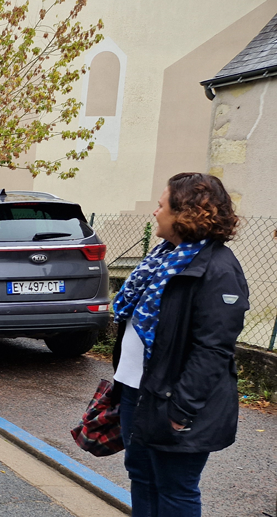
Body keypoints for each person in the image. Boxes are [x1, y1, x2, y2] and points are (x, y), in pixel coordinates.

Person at [112, 173, 247, 516]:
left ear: (184, 213)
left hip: (174, 401)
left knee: (175, 490)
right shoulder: (162, 257)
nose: (155, 213)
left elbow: (213, 349)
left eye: (161, 206)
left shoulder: (218, 270)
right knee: (141, 476)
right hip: (137, 391)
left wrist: (181, 411)